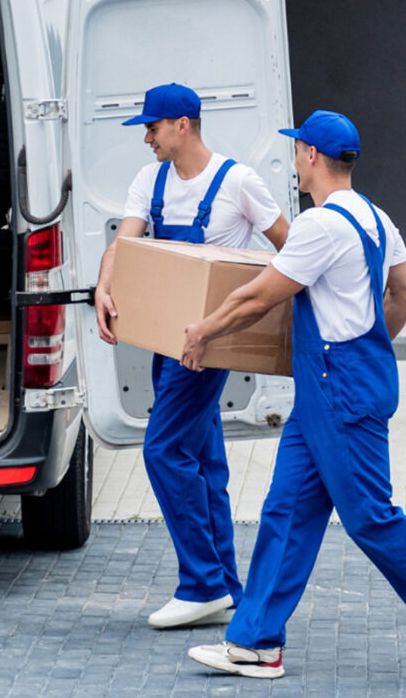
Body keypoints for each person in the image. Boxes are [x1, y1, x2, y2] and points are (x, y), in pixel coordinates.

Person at [182, 110, 406, 680]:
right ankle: (255, 642)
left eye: (297, 150)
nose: (294, 160)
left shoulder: (320, 226)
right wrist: (369, 343)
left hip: (338, 389)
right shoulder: (376, 218)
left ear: (311, 155)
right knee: (287, 510)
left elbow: (258, 297)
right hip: (334, 385)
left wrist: (202, 332)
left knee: (370, 517)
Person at [95, 83, 289, 629]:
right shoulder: (149, 180)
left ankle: (201, 584)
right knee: (204, 463)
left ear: (183, 124)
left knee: (162, 451)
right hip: (165, 342)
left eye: (152, 128)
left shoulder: (238, 182)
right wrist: (104, 286)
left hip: (209, 345)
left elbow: (290, 249)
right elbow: (123, 245)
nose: (147, 138)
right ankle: (225, 586)